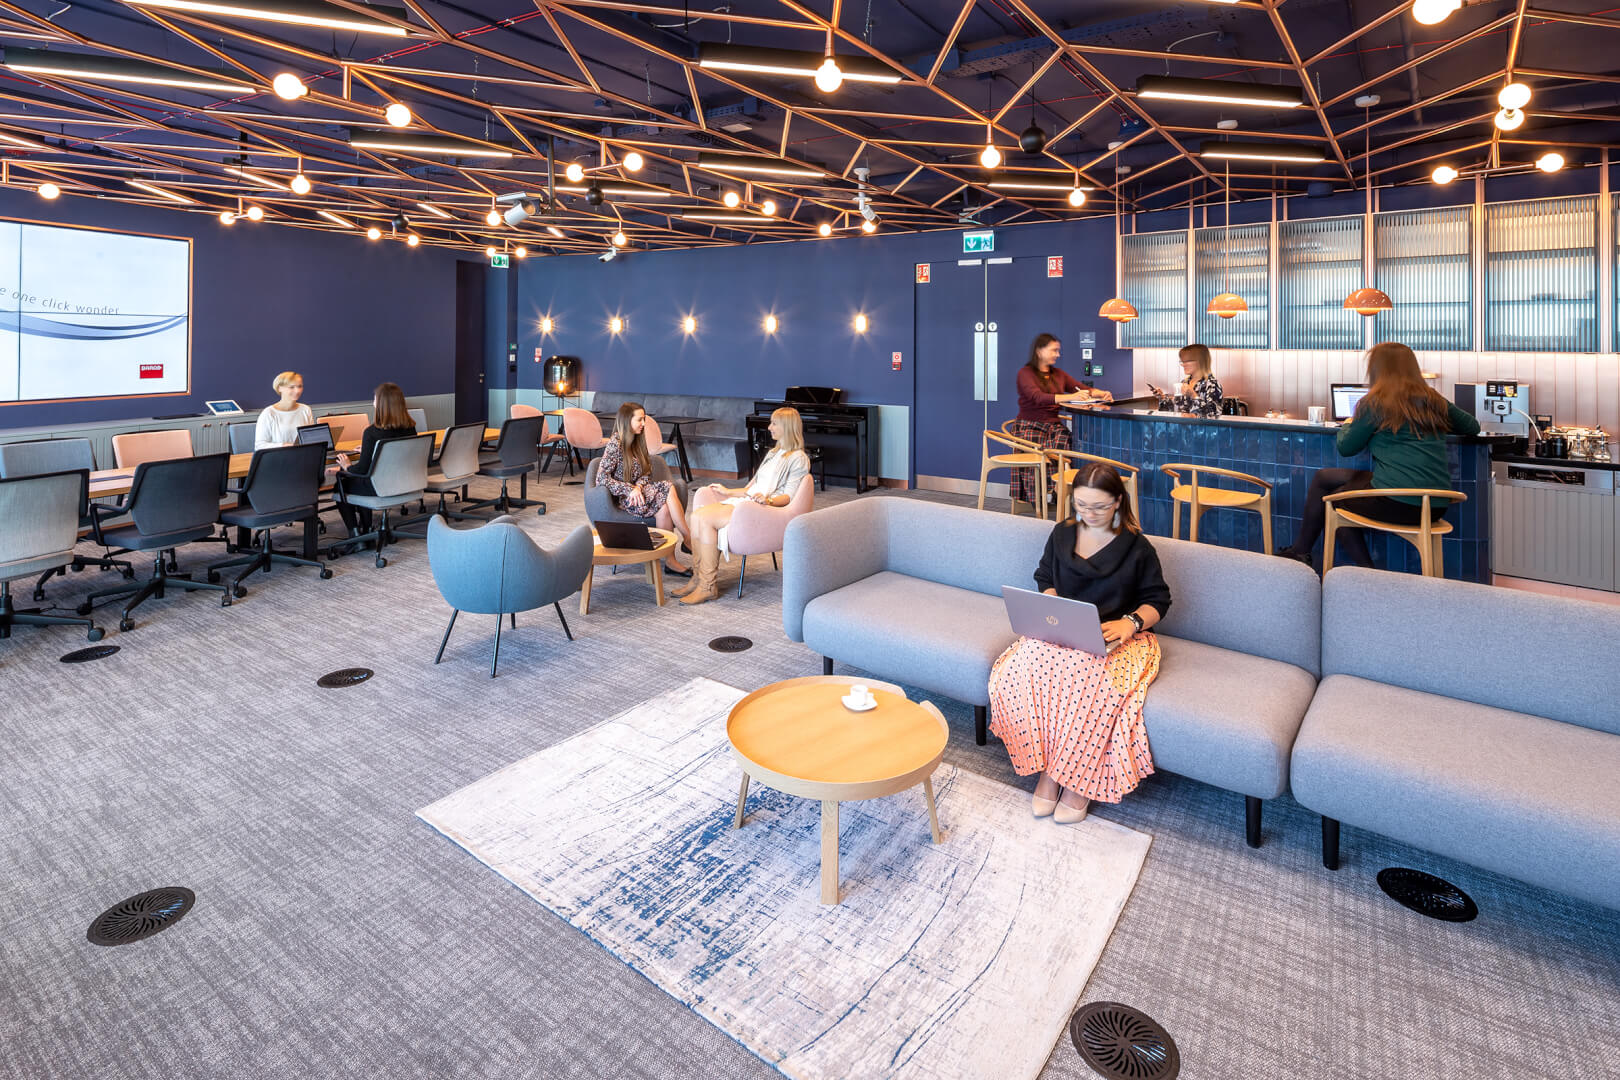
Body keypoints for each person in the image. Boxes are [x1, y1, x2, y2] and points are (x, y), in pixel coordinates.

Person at [988, 462, 1171, 824]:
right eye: (1082, 505)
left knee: (1086, 677)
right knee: (1025, 667)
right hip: (1066, 629)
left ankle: (1073, 780)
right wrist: (1052, 605)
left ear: (1118, 502)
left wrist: (1129, 622)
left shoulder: (1137, 547)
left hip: (1118, 637)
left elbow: (1158, 601)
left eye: (1099, 507)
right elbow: (1044, 575)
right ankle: (1051, 769)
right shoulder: (1062, 533)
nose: (1089, 514)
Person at [1278, 341, 1480, 568]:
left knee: (1334, 504)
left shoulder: (1374, 403)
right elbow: (1472, 427)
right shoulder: (1433, 399)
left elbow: (1346, 448)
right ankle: (1300, 551)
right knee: (1325, 477)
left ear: (1377, 370)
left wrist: (1349, 424)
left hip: (1398, 501)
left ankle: (1367, 574)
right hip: (1435, 504)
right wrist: (1435, 423)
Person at [675, 407, 810, 606]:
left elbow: (788, 497)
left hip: (765, 509)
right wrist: (728, 491)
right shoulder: (773, 453)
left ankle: (707, 586)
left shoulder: (798, 458)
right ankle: (698, 578)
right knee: (696, 516)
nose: (769, 427)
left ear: (787, 427)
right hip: (750, 503)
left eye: (774, 423)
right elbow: (750, 488)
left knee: (703, 518)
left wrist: (768, 500)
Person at [1008, 333, 1112, 507]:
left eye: (1058, 351)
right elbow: (1037, 397)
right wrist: (1071, 396)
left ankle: (1057, 490)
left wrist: (1102, 393)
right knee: (1044, 451)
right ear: (1039, 351)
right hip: (1029, 425)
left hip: (1053, 425)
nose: (1058, 354)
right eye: (1054, 350)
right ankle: (1043, 496)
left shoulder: (1058, 374)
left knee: (1068, 443)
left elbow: (1082, 388)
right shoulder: (1025, 373)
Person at [595, 402, 690, 577]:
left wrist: (639, 486)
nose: (644, 423)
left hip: (641, 493)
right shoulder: (615, 444)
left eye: (644, 419)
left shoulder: (638, 441)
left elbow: (647, 472)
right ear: (626, 421)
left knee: (665, 509)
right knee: (668, 487)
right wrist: (630, 489)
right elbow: (601, 478)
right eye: (640, 419)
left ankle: (670, 561)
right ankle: (688, 538)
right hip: (626, 499)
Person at [333, 382, 417, 537]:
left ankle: (357, 535)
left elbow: (362, 470)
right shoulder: (410, 428)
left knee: (342, 483)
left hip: (380, 487)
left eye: (375, 397)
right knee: (360, 481)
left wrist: (347, 465)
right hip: (404, 483)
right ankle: (366, 529)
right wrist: (369, 450)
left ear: (380, 403)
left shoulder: (372, 432)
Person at [1149, 343, 1224, 418]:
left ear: (1200, 361)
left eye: (1187, 361)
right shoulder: (1184, 382)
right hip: (1183, 428)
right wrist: (1162, 397)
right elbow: (1176, 409)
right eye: (1182, 361)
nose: (1183, 364)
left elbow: (1214, 415)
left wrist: (1194, 396)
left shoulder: (1212, 384)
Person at [254, 371, 315, 449]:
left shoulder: (306, 409)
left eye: (300, 386)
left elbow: (310, 439)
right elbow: (259, 446)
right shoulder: (268, 413)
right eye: (291, 387)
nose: (297, 391)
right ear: (279, 388)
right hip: (278, 457)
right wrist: (284, 446)